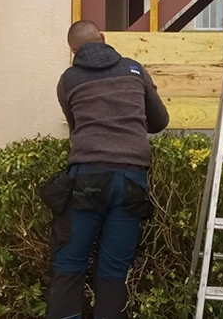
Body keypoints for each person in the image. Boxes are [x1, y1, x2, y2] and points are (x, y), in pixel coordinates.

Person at [41, 20, 169, 319]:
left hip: (87, 179)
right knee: (113, 269)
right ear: (103, 37)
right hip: (131, 180)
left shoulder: (69, 80)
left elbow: (76, 128)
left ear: (72, 51)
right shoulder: (134, 69)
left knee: (70, 262)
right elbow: (160, 121)